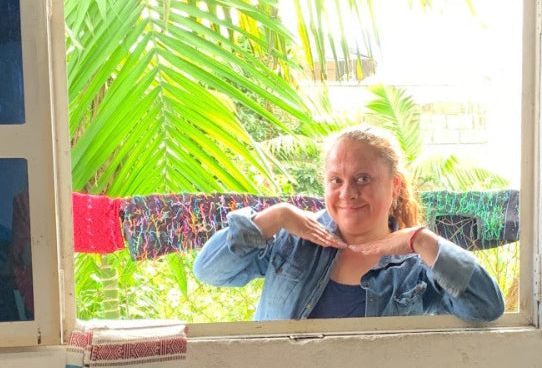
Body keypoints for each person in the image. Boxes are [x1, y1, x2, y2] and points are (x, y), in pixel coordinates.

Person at [192, 124, 506, 321]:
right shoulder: (293, 243)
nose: (347, 193)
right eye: (335, 180)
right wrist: (278, 215)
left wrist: (421, 241)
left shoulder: (416, 267)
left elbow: (486, 307)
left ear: (394, 185)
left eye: (363, 178)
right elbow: (209, 271)